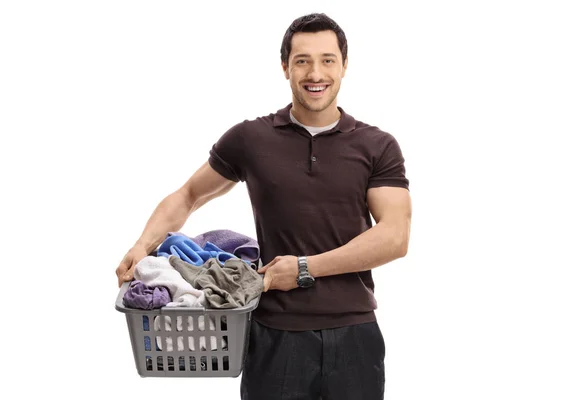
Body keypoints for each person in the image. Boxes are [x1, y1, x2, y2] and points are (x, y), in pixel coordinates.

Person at [115, 12, 412, 400]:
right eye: (302, 60)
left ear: (344, 65)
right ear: (285, 67)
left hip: (355, 334)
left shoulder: (377, 145)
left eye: (327, 60)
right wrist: (142, 246)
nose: (315, 73)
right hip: (274, 337)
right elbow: (188, 195)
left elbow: (395, 236)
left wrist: (304, 269)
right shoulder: (251, 139)